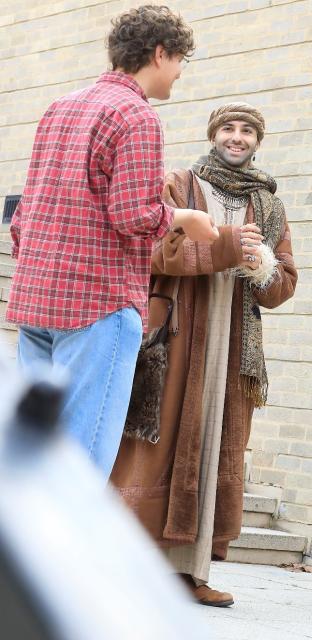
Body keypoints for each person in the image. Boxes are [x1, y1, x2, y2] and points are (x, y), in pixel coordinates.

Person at [7, 5, 217, 478]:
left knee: (31, 462)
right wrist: (186, 217)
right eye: (181, 60)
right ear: (160, 54)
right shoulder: (136, 115)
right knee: (78, 471)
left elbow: (25, 213)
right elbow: (134, 215)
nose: (181, 73)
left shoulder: (59, 108)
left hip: (37, 301)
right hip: (97, 306)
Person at [111, 102, 297, 607]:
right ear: (214, 134)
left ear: (259, 141)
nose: (237, 138)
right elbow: (151, 250)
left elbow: (282, 286)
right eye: (228, 129)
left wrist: (260, 268)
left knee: (215, 448)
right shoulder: (179, 185)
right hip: (175, 336)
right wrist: (227, 246)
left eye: (247, 132)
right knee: (158, 447)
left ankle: (190, 574)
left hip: (233, 345)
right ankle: (129, 563)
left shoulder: (271, 204)